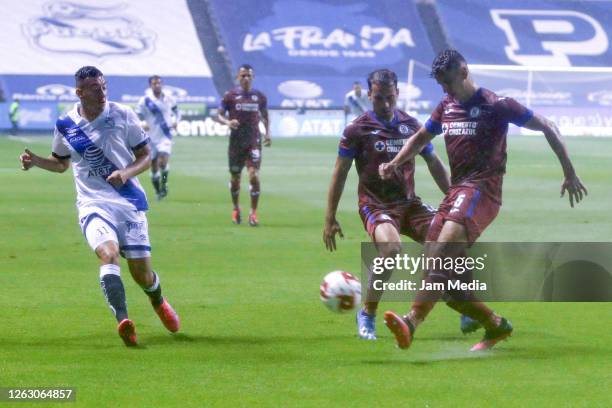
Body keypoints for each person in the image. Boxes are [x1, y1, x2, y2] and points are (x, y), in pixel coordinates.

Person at [379, 49, 587, 351]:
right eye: (441, 86)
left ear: (464, 72)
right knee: (440, 277)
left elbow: (547, 126)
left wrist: (569, 172)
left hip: (482, 190)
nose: (446, 91)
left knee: (439, 256)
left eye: (448, 83)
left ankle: (411, 322)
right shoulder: (445, 106)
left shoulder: (496, 105)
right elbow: (421, 138)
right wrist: (396, 162)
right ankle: (495, 325)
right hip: (457, 191)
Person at [19, 66, 180, 347]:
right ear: (80, 93)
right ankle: (124, 321)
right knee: (108, 254)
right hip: (92, 203)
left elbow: (145, 155)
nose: (102, 92)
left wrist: (126, 173)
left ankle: (157, 299)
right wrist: (36, 162)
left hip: (127, 201)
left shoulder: (122, 114)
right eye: (95, 88)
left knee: (142, 274)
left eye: (104, 86)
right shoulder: (66, 124)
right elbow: (60, 162)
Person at [323, 69, 451, 340]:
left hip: (409, 204)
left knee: (448, 243)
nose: (386, 104)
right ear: (369, 95)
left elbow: (434, 162)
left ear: (397, 94)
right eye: (379, 98)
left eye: (390, 97)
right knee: (391, 249)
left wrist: (453, 197)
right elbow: (340, 172)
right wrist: (329, 218)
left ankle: (467, 307)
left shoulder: (411, 125)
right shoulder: (356, 130)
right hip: (376, 205)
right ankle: (367, 313)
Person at [217, 64, 271, 226]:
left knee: (254, 175)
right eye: (243, 76)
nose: (246, 78)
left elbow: (266, 115)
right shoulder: (230, 96)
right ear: (238, 78)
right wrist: (227, 122)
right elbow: (219, 114)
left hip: (254, 141)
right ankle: (236, 208)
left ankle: (253, 213)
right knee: (235, 178)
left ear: (252, 77)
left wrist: (268, 133)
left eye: (248, 75)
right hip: (236, 143)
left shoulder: (259, 97)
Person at [136, 75, 180, 200]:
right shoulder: (145, 100)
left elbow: (177, 112)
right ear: (150, 85)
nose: (158, 85)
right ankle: (158, 190)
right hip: (150, 137)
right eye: (155, 83)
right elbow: (137, 114)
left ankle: (164, 183)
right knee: (154, 166)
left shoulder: (169, 98)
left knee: (163, 161)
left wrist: (176, 121)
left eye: (159, 83)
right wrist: (142, 122)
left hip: (165, 135)